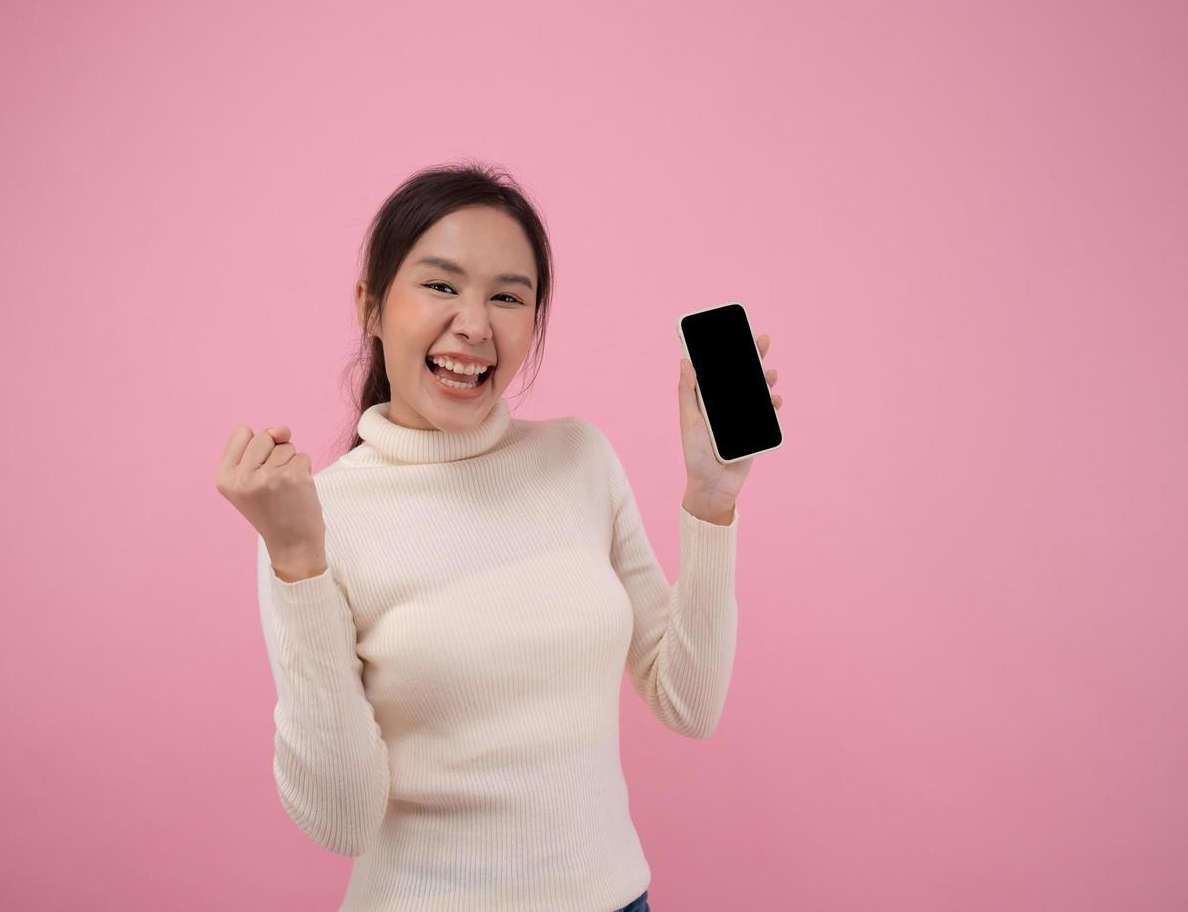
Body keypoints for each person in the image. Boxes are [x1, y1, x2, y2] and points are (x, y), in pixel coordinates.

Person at [216, 162, 782, 911]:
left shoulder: (579, 457)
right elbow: (341, 820)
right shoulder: (315, 521)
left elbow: (688, 701)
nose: (475, 326)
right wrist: (296, 561)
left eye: (508, 296)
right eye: (441, 285)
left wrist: (712, 502)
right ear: (371, 307)